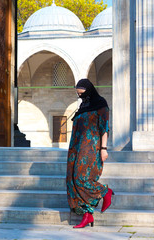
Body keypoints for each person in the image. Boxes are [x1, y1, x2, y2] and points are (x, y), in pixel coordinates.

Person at [66, 78, 114, 228]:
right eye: (78, 94)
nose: (80, 96)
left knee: (82, 179)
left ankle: (105, 191)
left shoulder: (100, 104)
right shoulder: (83, 105)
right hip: (76, 148)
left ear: (89, 90)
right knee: (72, 181)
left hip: (91, 148)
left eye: (82, 93)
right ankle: (87, 215)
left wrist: (104, 149)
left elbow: (104, 128)